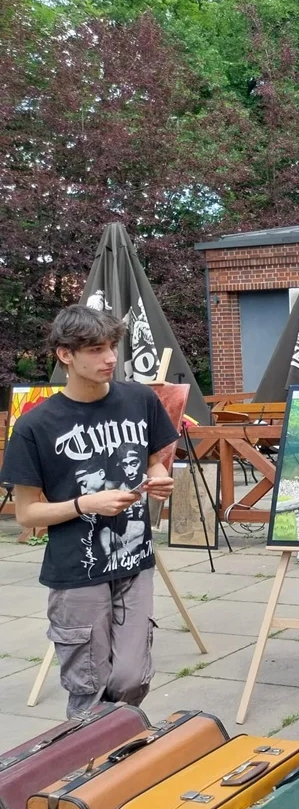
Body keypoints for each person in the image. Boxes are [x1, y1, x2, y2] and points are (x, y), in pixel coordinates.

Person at [2, 305, 177, 718]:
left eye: (112, 346)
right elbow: (27, 514)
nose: (110, 358)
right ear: (66, 354)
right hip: (77, 572)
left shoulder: (139, 399)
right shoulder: (35, 426)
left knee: (132, 677)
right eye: (96, 349)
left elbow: (154, 460)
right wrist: (86, 504)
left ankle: (115, 741)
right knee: (90, 686)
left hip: (135, 561)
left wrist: (158, 478)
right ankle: (91, 753)